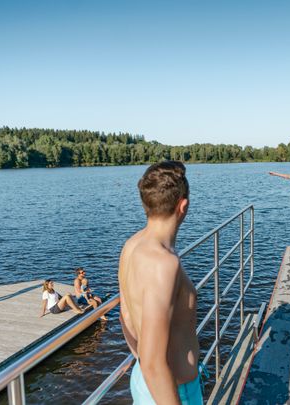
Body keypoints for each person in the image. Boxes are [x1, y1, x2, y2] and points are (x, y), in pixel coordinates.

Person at [118, 161, 202, 405]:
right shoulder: (164, 264)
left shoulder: (132, 245)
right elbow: (154, 362)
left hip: (145, 383)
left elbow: (125, 315)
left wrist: (145, 365)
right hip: (171, 393)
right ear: (183, 206)